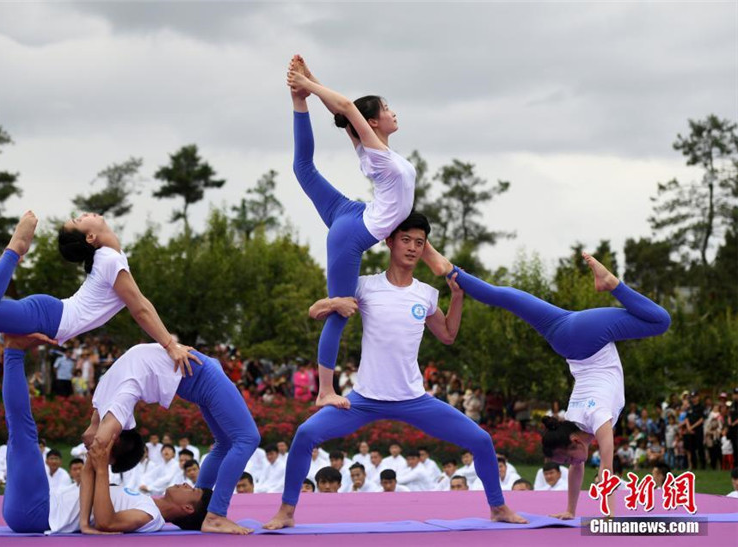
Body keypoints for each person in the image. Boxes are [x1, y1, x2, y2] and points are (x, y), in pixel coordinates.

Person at [264, 213, 524, 529]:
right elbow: (314, 311)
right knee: (305, 434)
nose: (413, 248)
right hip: (364, 399)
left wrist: (457, 297)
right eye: (406, 240)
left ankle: (498, 507)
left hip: (413, 399)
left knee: (481, 440)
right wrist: (334, 304)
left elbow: (448, 336)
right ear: (389, 241)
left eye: (419, 243)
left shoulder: (426, 294)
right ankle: (286, 512)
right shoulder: (365, 286)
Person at [421, 244, 670, 517]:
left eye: (565, 458)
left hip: (586, 339)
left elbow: (606, 460)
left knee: (661, 321)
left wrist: (607, 509)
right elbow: (585, 471)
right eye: (566, 460)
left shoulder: (596, 418)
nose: (569, 464)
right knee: (507, 297)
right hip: (564, 337)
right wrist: (571, 511)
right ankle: (451, 271)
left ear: (574, 441)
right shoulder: (572, 419)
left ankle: (611, 283)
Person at [286, 55, 416, 409]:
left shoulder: (373, 151)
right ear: (373, 122)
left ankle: (297, 104)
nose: (393, 113)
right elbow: (345, 106)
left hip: (351, 212)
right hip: (352, 232)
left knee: (303, 169)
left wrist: (306, 87)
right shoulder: (380, 156)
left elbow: (343, 113)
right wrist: (309, 83)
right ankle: (325, 389)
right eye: (387, 109)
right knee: (341, 311)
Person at [0, 334, 210, 534]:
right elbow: (89, 475)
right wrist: (83, 521)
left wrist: (101, 469)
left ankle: (14, 350)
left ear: (188, 509)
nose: (186, 484)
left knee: (22, 429)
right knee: (20, 430)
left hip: (37, 512)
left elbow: (106, 522)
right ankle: (14, 350)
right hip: (38, 505)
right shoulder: (144, 501)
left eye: (193, 491)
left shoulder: (151, 516)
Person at [0, 211, 199, 371]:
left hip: (50, 316)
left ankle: (9, 257)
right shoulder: (110, 260)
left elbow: (140, 305)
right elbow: (140, 307)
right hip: (50, 317)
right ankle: (14, 250)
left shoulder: (110, 258)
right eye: (79, 220)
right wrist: (170, 345)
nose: (83, 214)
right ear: (91, 237)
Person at [82, 343, 260, 535]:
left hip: (201, 374)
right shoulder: (115, 398)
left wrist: (169, 343)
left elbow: (96, 443)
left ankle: (201, 502)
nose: (92, 447)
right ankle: (216, 515)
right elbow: (97, 444)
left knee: (225, 444)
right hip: (203, 376)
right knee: (247, 438)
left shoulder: (104, 401)